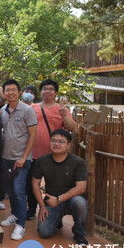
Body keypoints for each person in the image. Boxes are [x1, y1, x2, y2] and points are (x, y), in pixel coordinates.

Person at [27, 79, 78, 221]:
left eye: (50, 89)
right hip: (34, 153)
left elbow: (73, 128)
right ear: (41, 92)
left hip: (54, 156)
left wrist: (63, 115)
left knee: (54, 185)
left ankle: (55, 213)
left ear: (55, 92)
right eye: (44, 89)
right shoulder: (33, 108)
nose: (47, 91)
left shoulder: (61, 109)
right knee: (32, 183)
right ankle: (32, 209)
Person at [32, 129, 88, 245]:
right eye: (53, 141)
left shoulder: (78, 162)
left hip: (71, 200)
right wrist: (42, 206)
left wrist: (59, 199)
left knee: (81, 203)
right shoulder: (42, 161)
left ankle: (79, 234)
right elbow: (35, 184)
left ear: (69, 145)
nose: (56, 144)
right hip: (51, 200)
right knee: (44, 232)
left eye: (61, 141)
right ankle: (56, 220)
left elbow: (81, 188)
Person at [0, 79, 37, 241]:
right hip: (5, 158)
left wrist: (23, 157)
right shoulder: (2, 110)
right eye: (7, 90)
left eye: (14, 90)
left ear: (19, 92)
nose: (11, 92)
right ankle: (14, 214)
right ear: (4, 92)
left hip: (21, 159)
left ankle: (21, 224)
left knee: (19, 190)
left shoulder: (27, 110)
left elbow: (33, 135)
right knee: (11, 189)